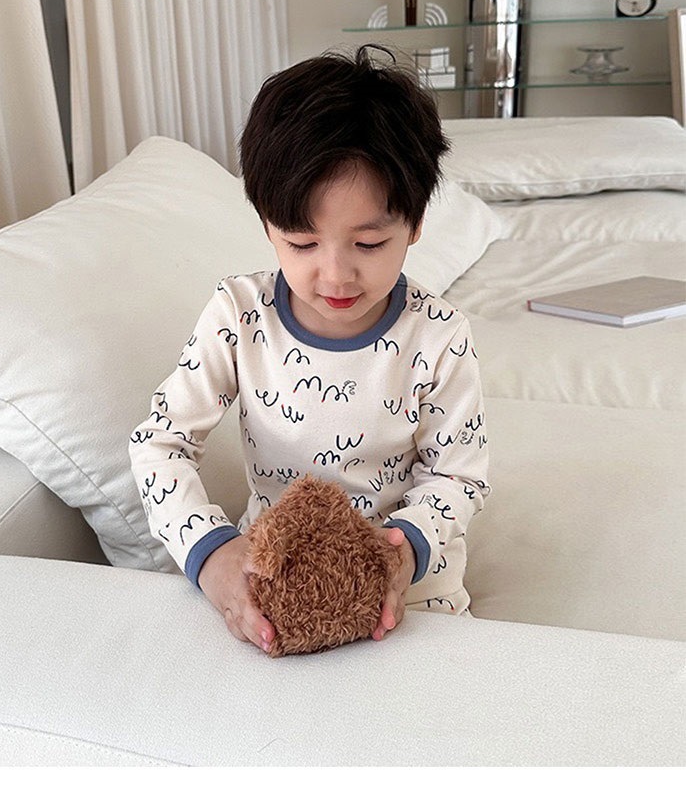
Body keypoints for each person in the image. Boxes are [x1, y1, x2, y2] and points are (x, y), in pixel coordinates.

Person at [129, 46, 489, 654]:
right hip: (275, 579)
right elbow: (159, 443)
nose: (336, 275)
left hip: (408, 583)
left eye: (369, 244)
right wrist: (211, 555)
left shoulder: (439, 334)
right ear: (267, 225)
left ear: (415, 224)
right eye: (301, 243)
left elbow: (458, 473)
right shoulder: (239, 315)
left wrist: (405, 551)